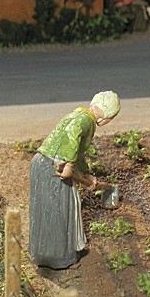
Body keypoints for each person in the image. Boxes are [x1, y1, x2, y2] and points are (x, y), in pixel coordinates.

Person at [29, 91, 120, 270]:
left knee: (52, 209)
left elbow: (76, 149)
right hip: (51, 167)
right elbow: (72, 136)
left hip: (43, 162)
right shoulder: (85, 120)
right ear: (106, 113)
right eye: (111, 117)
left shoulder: (80, 114)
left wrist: (86, 173)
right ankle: (58, 259)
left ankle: (45, 254)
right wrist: (70, 164)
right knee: (58, 211)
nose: (109, 121)